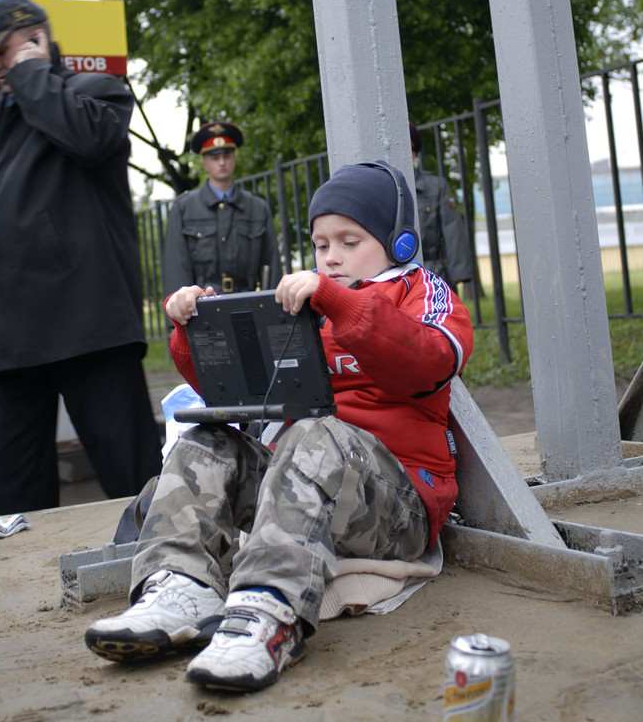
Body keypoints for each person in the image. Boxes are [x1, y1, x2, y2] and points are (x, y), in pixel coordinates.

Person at [85, 160, 473, 693]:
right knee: (206, 441)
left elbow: (428, 360)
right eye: (320, 244)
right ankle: (180, 587)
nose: (331, 256)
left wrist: (338, 301)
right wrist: (191, 330)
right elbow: (238, 393)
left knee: (315, 431)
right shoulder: (307, 301)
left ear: (398, 243)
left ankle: (267, 614)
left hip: (396, 505)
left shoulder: (420, 292)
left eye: (349, 240)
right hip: (307, 486)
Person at [0, 0, 162, 515]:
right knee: (13, 505)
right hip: (5, 345)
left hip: (86, 329)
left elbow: (89, 138)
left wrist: (34, 73)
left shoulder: (94, 91)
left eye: (2, 52)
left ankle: (176, 577)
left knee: (134, 483)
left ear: (38, 40)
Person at [161, 120, 282, 298]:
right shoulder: (184, 209)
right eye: (214, 158)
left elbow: (272, 269)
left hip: (249, 306)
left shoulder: (257, 208)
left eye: (227, 155)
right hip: (201, 310)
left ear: (234, 159)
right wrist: (178, 320)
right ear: (204, 164)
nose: (222, 162)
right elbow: (176, 270)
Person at [410, 122, 473, 290]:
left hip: (432, 273)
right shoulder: (381, 188)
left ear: (414, 153)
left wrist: (459, 273)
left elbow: (452, 229)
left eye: (409, 149)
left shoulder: (435, 186)